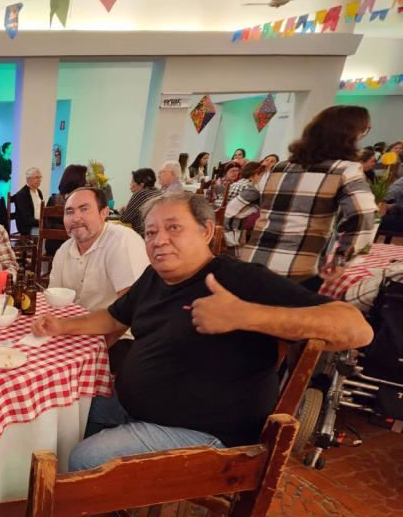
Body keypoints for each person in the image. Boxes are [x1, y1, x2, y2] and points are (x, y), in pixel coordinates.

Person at [31, 192, 373, 471]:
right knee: (58, 412)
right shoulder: (154, 276)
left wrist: (247, 315)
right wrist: (61, 326)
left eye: (174, 228)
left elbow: (356, 328)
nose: (160, 241)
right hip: (137, 409)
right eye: (151, 232)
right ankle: (92, 498)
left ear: (206, 231)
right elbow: (113, 318)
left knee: (84, 458)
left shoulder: (240, 279)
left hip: (207, 434)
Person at [240, 105, 377, 289]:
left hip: (253, 261)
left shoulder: (278, 168)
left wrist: (236, 249)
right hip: (301, 270)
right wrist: (341, 260)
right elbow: (364, 217)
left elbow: (235, 209)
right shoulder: (346, 171)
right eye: (363, 131)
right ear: (350, 135)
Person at [48, 187, 149, 370]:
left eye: (84, 209)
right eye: (69, 212)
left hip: (119, 337)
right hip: (76, 331)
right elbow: (54, 301)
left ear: (104, 212)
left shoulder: (121, 241)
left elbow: (131, 311)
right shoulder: (64, 250)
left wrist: (97, 350)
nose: (76, 218)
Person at [45, 164, 90, 256]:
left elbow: (46, 224)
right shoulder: (82, 202)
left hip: (52, 244)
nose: (86, 182)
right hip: (74, 243)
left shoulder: (53, 199)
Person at [223, 162, 265, 254]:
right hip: (233, 225)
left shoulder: (236, 183)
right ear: (255, 175)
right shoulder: (250, 187)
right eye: (262, 175)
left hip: (223, 218)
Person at [119, 168, 161, 237]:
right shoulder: (159, 192)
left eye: (133, 182)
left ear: (141, 185)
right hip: (155, 234)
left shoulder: (141, 194)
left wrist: (122, 212)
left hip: (142, 236)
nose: (130, 184)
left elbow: (124, 218)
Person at [10, 167, 44, 236]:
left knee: (53, 230)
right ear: (28, 180)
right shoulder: (22, 195)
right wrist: (41, 223)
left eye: (40, 177)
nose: (39, 180)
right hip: (27, 228)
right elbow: (26, 218)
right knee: (47, 233)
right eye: (36, 178)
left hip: (38, 224)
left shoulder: (39, 192)